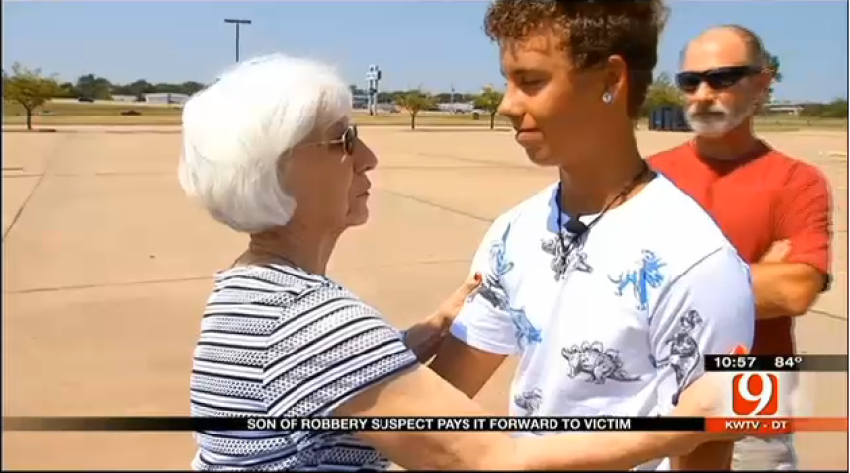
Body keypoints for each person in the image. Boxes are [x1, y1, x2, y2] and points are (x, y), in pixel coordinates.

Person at [179, 53, 739, 472]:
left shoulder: (246, 289)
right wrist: (682, 428)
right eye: (344, 141)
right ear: (281, 169)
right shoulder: (315, 321)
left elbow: (317, 387)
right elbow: (489, 460)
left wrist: (416, 336)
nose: (368, 157)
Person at [430, 1, 756, 471]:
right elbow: (445, 397)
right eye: (508, 80)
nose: (506, 105)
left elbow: (704, 443)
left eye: (531, 81)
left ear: (611, 80)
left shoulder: (696, 261)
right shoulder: (514, 232)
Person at [648, 25, 833, 470]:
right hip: (657, 397)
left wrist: (659, 287)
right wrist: (752, 275)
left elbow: (793, 292)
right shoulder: (646, 178)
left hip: (750, 400)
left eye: (722, 78)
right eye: (690, 82)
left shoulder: (797, 181)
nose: (703, 93)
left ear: (762, 82)